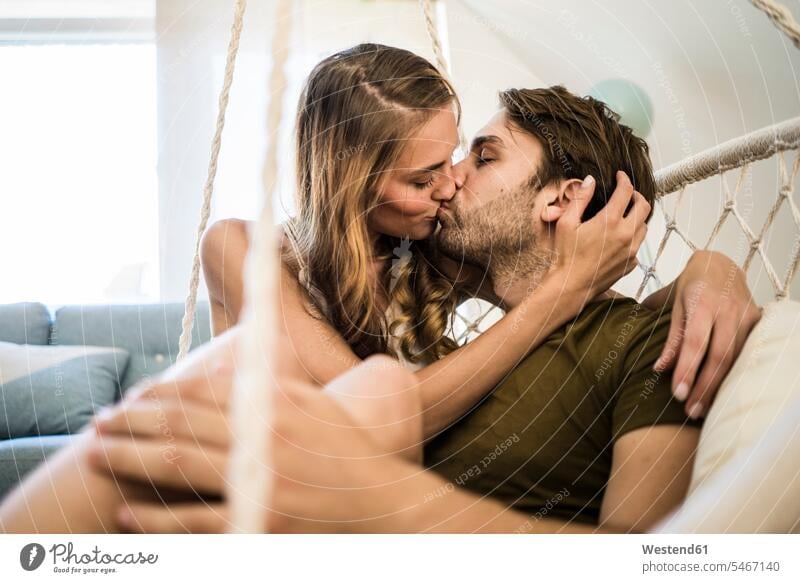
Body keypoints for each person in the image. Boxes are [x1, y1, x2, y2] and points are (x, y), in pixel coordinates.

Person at [0, 47, 759, 533]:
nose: (451, 183)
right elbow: (402, 398)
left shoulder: (631, 338)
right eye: (428, 175)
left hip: (282, 503)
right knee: (349, 386)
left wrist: (710, 268)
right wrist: (568, 288)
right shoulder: (283, 255)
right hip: (235, 476)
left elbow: (644, 547)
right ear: (358, 182)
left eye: (472, 158)